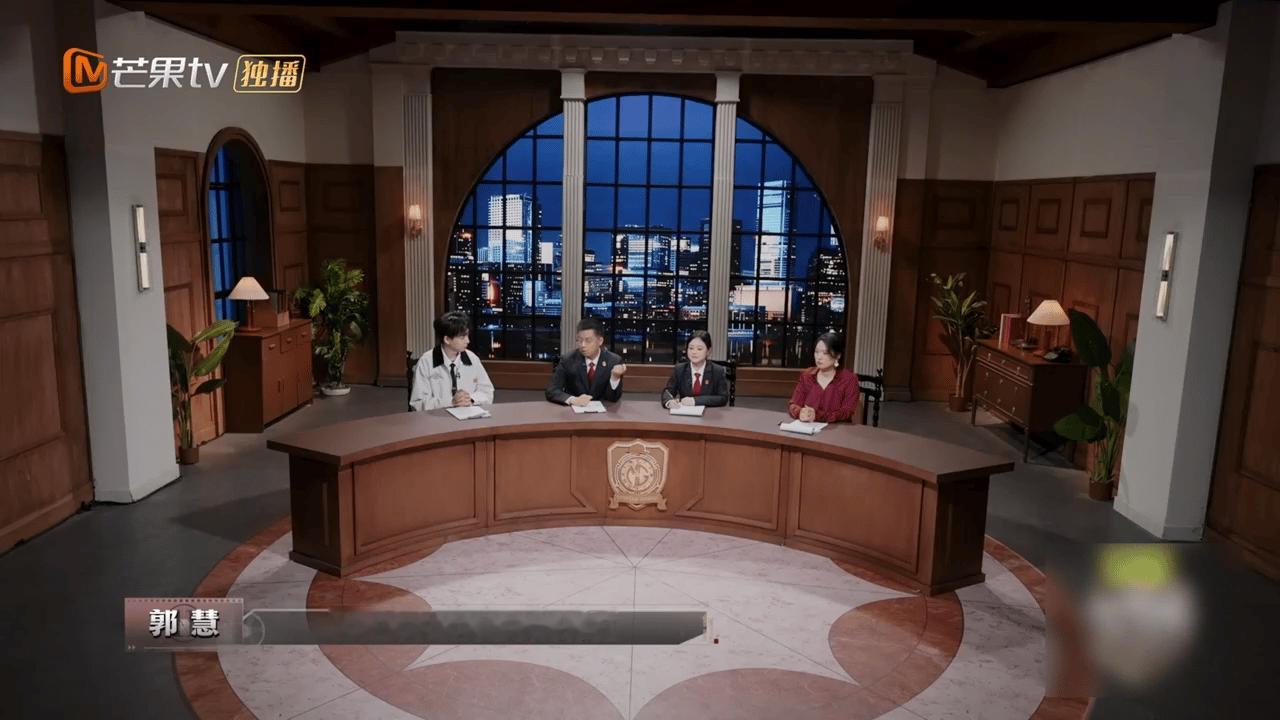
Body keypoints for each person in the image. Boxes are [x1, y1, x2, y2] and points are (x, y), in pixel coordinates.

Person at [409, 311, 495, 412]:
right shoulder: (426, 361)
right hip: (437, 418)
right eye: (462, 337)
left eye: (467, 336)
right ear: (447, 339)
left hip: (468, 415)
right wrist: (451, 402)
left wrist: (471, 399)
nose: (468, 341)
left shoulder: (472, 358)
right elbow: (418, 403)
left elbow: (487, 392)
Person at [546, 317, 627, 406]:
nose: (583, 345)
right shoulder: (567, 360)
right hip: (574, 410)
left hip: (604, 411)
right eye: (579, 340)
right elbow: (552, 390)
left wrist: (615, 377)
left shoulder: (614, 361)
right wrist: (573, 400)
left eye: (588, 340)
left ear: (600, 341)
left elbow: (613, 398)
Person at [788, 330, 859, 423]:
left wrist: (817, 415)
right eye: (816, 352)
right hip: (808, 427)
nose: (819, 357)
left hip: (837, 429)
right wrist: (800, 412)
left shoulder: (849, 379)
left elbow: (847, 412)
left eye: (825, 353)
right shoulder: (807, 375)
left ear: (838, 356)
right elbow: (794, 404)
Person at [662, 330, 730, 409]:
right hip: (685, 414)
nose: (694, 352)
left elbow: (723, 398)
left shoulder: (717, 371)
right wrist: (669, 402)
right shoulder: (679, 369)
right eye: (691, 348)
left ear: (708, 351)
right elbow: (667, 392)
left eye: (699, 349)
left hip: (710, 414)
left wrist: (695, 401)